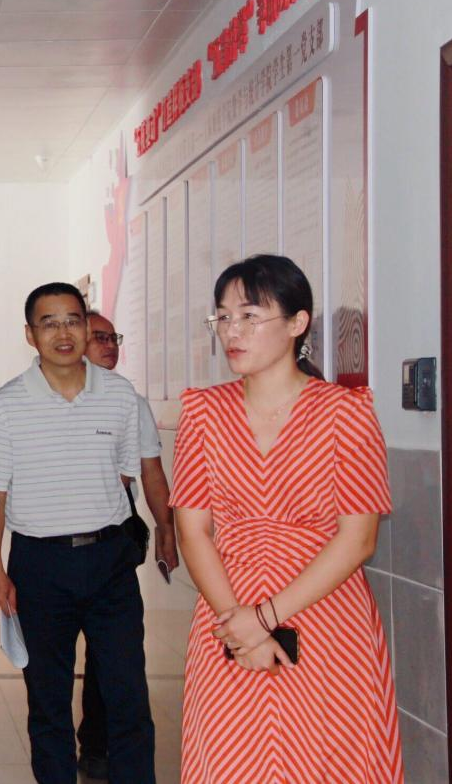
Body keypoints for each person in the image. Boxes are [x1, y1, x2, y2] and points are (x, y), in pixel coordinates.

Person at [171, 254, 404, 782]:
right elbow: (193, 531)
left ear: (298, 323)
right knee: (230, 760)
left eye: (250, 316)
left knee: (327, 761)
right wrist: (240, 625)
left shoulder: (346, 412)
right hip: (227, 611)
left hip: (324, 611)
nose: (232, 331)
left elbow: (358, 540)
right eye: (223, 317)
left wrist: (264, 618)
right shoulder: (203, 412)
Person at [0, 282, 155, 783]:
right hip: (40, 565)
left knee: (128, 696)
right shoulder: (7, 404)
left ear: (86, 326)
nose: (63, 333)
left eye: (72, 320)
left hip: (110, 563)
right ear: (30, 335)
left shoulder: (119, 395)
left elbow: (125, 477)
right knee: (48, 700)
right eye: (49, 323)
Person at [71, 310, 180, 779]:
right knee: (53, 667)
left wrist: (166, 529)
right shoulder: (47, 401)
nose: (109, 345)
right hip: (52, 552)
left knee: (115, 659)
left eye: (112, 337)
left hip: (111, 547)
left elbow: (151, 473)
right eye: (99, 337)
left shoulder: (130, 402)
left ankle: (101, 745)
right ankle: (83, 745)